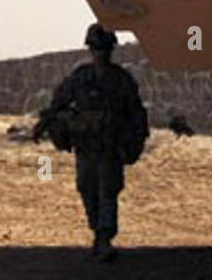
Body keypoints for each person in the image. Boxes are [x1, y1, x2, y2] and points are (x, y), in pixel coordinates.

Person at [34, 24, 149, 261]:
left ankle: (104, 237)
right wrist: (46, 124)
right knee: (87, 190)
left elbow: (136, 113)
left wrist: (135, 140)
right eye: (97, 48)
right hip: (85, 146)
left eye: (105, 48)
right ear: (90, 49)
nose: (101, 53)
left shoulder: (121, 79)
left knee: (108, 190)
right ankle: (97, 230)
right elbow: (59, 103)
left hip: (109, 146)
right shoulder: (80, 77)